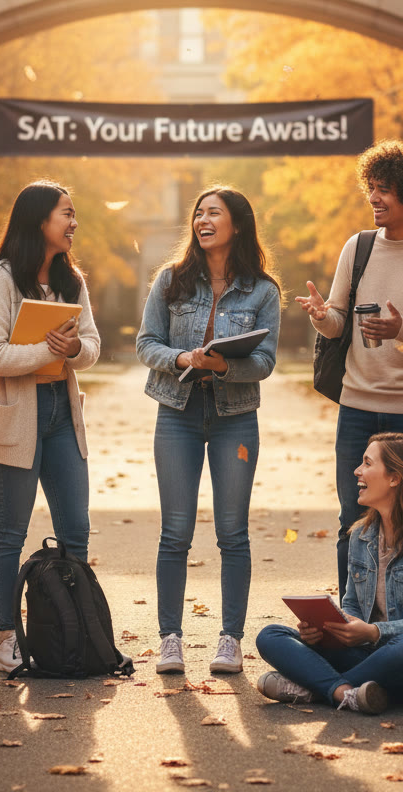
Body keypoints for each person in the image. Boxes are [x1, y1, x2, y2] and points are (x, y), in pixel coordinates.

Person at [297, 140, 403, 600]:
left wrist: (402, 329)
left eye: (384, 189)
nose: (373, 197)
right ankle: (352, 622)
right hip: (357, 408)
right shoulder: (359, 247)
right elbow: (336, 325)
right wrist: (320, 314)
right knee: (352, 519)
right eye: (370, 187)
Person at [136, 187, 281, 676]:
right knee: (174, 534)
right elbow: (146, 343)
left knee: (232, 534)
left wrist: (222, 367)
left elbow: (263, 362)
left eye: (213, 212)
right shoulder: (171, 280)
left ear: (236, 224)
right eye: (198, 212)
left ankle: (230, 640)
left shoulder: (263, 290)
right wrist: (181, 358)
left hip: (234, 418)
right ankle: (170, 639)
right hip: (176, 412)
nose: (202, 219)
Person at [0, 181, 100, 675]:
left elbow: (91, 345)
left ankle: (77, 632)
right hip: (16, 415)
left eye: (74, 214)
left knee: (76, 530)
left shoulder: (72, 281)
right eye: (66, 213)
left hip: (61, 414)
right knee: (10, 532)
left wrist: (73, 351)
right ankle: (7, 640)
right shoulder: (0, 279)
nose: (73, 223)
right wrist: (50, 350)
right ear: (38, 220)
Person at [255, 432, 403, 713]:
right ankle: (349, 693)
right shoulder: (361, 536)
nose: (357, 471)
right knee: (271, 635)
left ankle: (315, 689)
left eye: (367, 463)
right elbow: (352, 605)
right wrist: (327, 631)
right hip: (368, 658)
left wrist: (374, 632)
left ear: (395, 478)